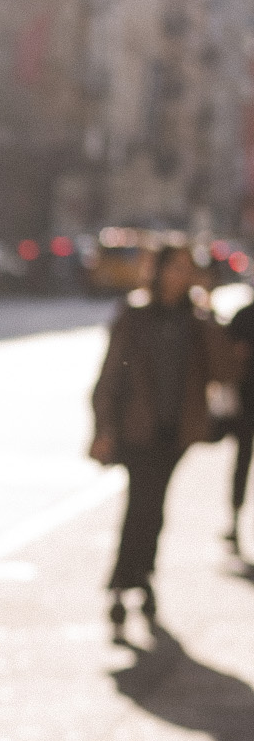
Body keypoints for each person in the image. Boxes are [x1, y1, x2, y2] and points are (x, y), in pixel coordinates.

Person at [90, 242, 229, 635]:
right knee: (142, 505)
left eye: (189, 268)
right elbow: (110, 377)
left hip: (177, 434)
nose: (181, 275)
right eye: (175, 267)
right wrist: (103, 428)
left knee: (154, 506)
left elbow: (224, 371)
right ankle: (125, 582)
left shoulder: (197, 318)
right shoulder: (134, 316)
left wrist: (209, 310)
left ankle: (136, 578)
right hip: (137, 431)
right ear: (159, 271)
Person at [224, 289, 254, 557]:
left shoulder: (243, 317)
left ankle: (234, 518)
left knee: (242, 461)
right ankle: (233, 518)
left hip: (245, 403)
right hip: (245, 404)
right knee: (242, 461)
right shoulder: (244, 317)